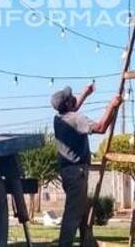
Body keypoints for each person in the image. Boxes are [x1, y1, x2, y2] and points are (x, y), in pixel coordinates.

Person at [51, 83, 122, 247]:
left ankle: (88, 243)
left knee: (83, 211)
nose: (73, 98)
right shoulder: (76, 119)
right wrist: (111, 106)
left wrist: (85, 93)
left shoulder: (59, 119)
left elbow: (73, 109)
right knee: (72, 214)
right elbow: (101, 127)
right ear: (68, 104)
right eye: (70, 98)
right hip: (77, 173)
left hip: (68, 172)